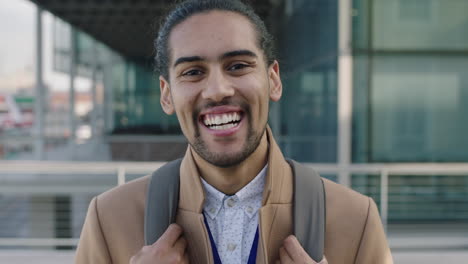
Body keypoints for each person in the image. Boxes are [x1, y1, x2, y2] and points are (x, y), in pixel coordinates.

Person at [75, 0, 393, 263]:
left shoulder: (356, 219)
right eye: (193, 72)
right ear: (166, 95)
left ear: (274, 80)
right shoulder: (109, 219)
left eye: (238, 66)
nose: (217, 90)